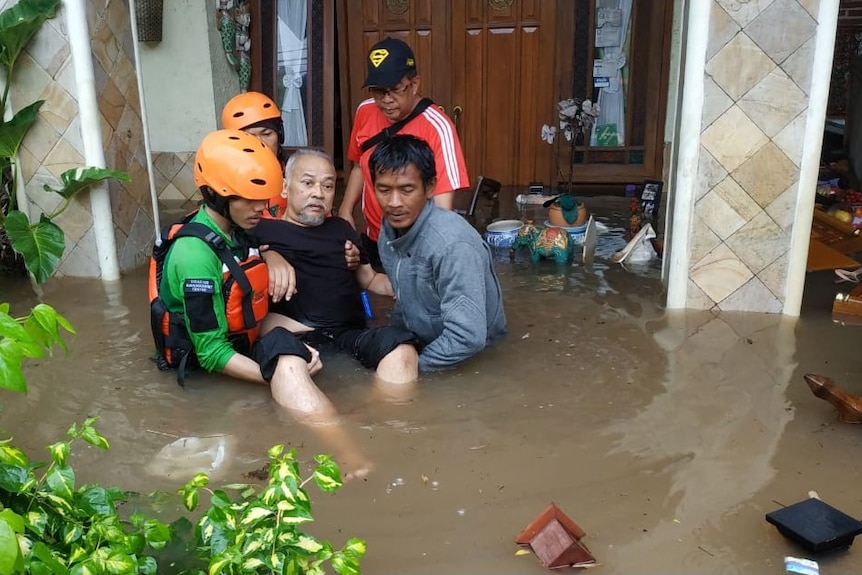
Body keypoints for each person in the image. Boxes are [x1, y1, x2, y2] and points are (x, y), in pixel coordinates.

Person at [151, 129, 341, 418]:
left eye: (263, 198)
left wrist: (270, 254)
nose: (261, 208)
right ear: (215, 195)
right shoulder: (195, 256)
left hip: (245, 338)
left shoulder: (238, 229)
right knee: (289, 365)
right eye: (249, 199)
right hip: (210, 370)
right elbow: (212, 353)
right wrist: (273, 373)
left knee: (329, 336)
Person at [248, 148, 420, 384]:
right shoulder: (260, 232)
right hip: (295, 336)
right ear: (285, 187)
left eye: (328, 186)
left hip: (351, 334)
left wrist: (417, 289)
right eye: (308, 183)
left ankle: (384, 419)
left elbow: (370, 280)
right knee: (286, 363)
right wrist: (268, 257)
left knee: (402, 348)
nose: (318, 193)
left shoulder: (342, 229)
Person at [370, 134, 507, 372]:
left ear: (430, 187)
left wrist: (412, 370)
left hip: (478, 359)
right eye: (384, 189)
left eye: (406, 190)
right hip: (429, 342)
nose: (393, 202)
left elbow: (468, 337)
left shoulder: (452, 246)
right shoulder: (388, 234)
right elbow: (404, 301)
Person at [338, 37, 469, 269]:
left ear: (414, 83)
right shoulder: (365, 111)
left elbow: (442, 203)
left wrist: (425, 258)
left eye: (395, 90)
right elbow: (359, 164)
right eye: (379, 92)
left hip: (415, 246)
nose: (386, 100)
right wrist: (345, 210)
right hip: (374, 238)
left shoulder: (438, 127)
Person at [221, 91, 288, 219]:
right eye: (249, 136)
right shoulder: (223, 184)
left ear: (280, 136)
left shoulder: (296, 175)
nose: (259, 143)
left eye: (267, 134)